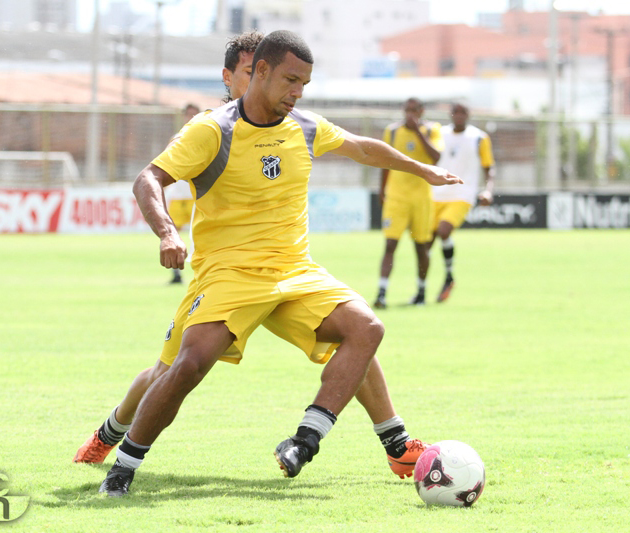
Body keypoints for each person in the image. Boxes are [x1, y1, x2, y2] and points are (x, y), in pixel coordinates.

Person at [94, 30, 461, 497]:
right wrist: (167, 231)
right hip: (230, 274)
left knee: (366, 328)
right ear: (259, 72)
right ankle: (121, 469)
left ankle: (307, 441)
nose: (297, 93)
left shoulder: (306, 127)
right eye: (290, 80)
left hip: (295, 271)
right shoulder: (214, 129)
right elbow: (149, 177)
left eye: (304, 84)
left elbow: (363, 147)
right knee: (186, 365)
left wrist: (423, 170)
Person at [374, 98, 443, 308]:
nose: (410, 114)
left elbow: (436, 157)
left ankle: (421, 292)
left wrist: (418, 132)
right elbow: (385, 161)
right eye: (407, 110)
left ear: (422, 111)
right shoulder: (392, 131)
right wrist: (382, 189)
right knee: (390, 244)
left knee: (421, 247)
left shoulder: (432, 130)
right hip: (397, 196)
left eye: (414, 110)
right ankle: (382, 294)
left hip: (421, 198)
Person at [428, 102, 495, 302]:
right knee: (424, 244)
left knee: (444, 230)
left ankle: (449, 276)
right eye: (455, 112)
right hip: (435, 195)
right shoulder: (439, 133)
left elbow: (489, 167)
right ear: (450, 114)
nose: (458, 116)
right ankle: (422, 291)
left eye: (462, 112)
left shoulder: (479, 138)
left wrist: (488, 191)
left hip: (462, 195)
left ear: (468, 115)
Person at [165, 103, 201, 284]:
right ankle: (176, 274)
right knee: (173, 235)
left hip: (197, 197)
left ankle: (201, 273)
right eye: (189, 115)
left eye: (195, 114)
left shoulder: (205, 137)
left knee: (200, 236)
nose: (191, 118)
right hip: (178, 196)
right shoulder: (176, 138)